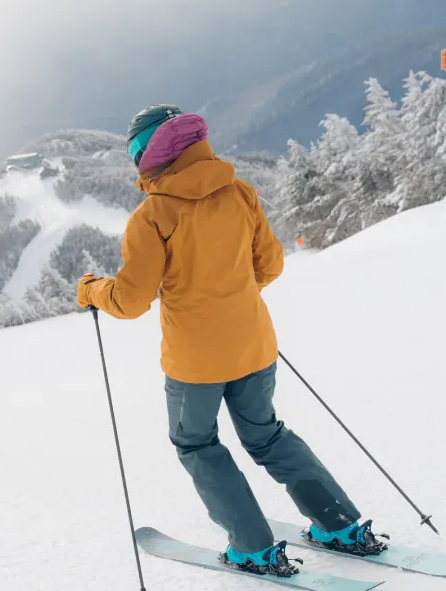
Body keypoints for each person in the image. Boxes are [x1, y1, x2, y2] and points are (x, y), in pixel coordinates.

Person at [76, 105, 385, 576]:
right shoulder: (239, 192)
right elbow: (271, 265)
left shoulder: (153, 215)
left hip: (195, 364)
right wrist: (231, 294)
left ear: (148, 153)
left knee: (197, 445)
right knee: (267, 436)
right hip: (254, 347)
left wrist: (92, 289)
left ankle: (253, 547)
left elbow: (132, 300)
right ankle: (339, 525)